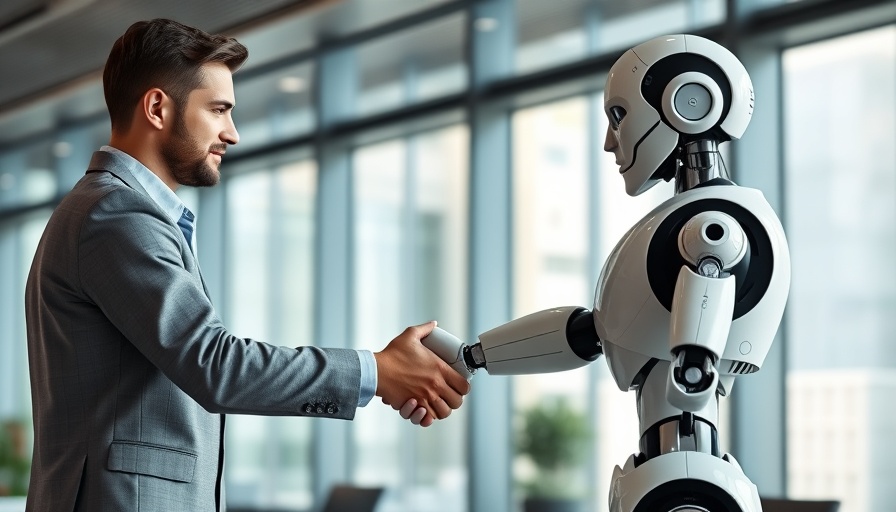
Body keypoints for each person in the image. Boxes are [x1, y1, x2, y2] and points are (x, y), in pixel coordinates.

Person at [24, 18, 469, 512]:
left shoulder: (113, 212)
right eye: (218, 110)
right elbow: (215, 365)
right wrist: (376, 371)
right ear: (157, 108)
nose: (232, 134)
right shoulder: (118, 215)